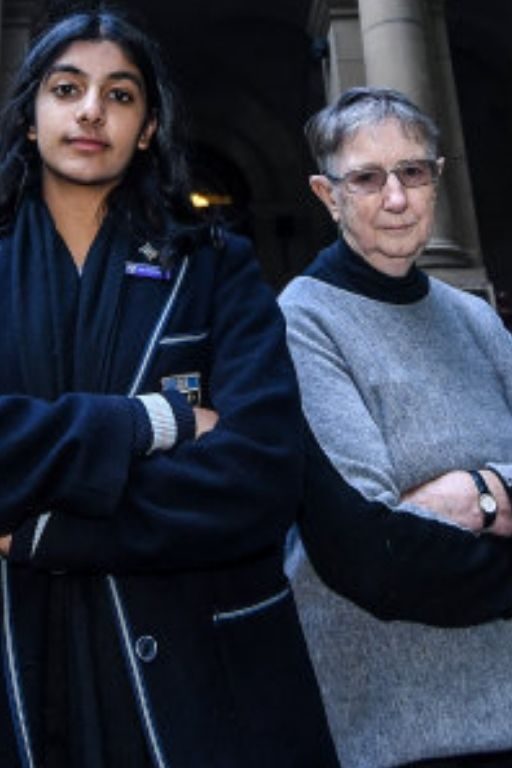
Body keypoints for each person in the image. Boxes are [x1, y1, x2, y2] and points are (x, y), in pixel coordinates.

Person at [0, 7, 339, 768]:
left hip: (200, 682)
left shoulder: (216, 264)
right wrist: (153, 422)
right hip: (21, 663)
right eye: (66, 88)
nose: (92, 110)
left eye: (120, 95)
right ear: (30, 118)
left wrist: (54, 533)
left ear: (148, 128)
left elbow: (260, 475)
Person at [279, 86, 512, 768]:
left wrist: (471, 496)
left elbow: (404, 533)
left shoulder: (473, 317)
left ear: (438, 177)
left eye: (414, 171)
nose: (397, 198)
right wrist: (501, 498)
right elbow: (371, 555)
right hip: (399, 729)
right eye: (367, 178)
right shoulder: (301, 321)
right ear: (328, 195)